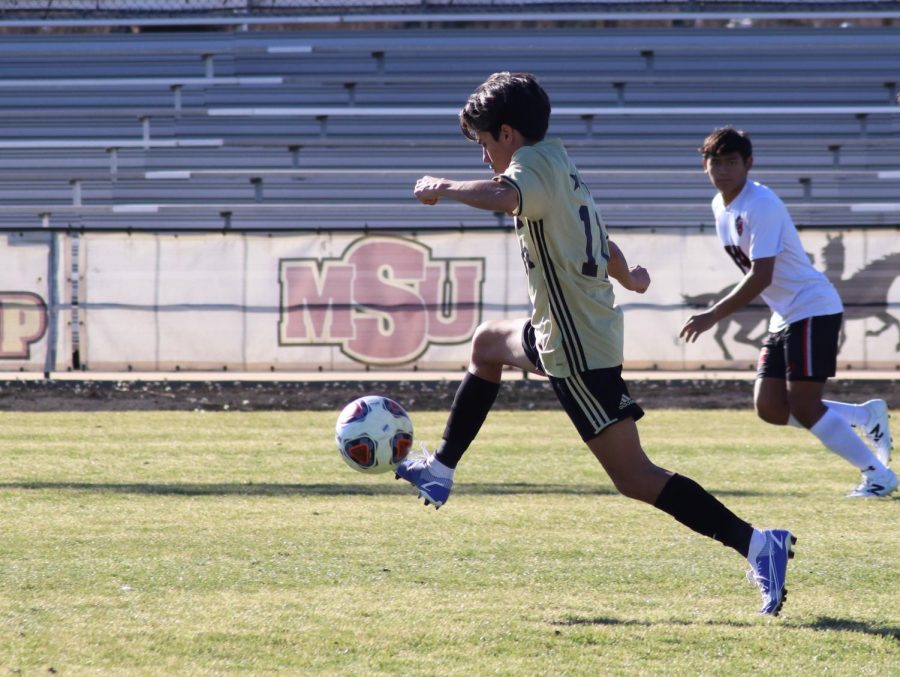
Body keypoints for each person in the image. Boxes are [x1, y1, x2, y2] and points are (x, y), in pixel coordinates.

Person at [397, 72, 795, 616]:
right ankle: (440, 470)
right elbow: (587, 229)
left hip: (576, 348)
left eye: (485, 144)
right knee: (488, 344)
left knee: (634, 477)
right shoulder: (559, 161)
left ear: (508, 133)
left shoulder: (528, 169)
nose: (484, 157)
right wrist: (627, 272)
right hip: (563, 330)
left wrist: (442, 187)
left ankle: (757, 544)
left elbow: (505, 195)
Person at [680, 127, 896, 498]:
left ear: (749, 163)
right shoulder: (721, 205)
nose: (723, 169)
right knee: (770, 407)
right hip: (786, 314)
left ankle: (877, 475)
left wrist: (712, 314)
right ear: (704, 165)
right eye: (715, 162)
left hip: (812, 308)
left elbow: (760, 275)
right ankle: (863, 416)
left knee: (805, 405)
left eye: (732, 161)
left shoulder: (760, 203)